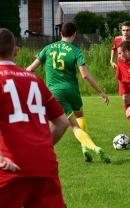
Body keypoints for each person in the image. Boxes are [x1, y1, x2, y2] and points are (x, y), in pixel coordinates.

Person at [0, 28, 78, 208]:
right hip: (43, 163)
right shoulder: (34, 80)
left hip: (10, 163)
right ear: (16, 52)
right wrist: (40, 148)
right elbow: (62, 122)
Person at [27, 22, 111, 164]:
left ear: (61, 34)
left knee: (73, 126)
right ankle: (84, 148)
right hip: (72, 90)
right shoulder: (76, 51)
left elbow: (30, 70)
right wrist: (101, 92)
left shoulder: (48, 48)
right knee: (79, 116)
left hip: (55, 92)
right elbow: (85, 75)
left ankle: (93, 148)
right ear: (74, 34)